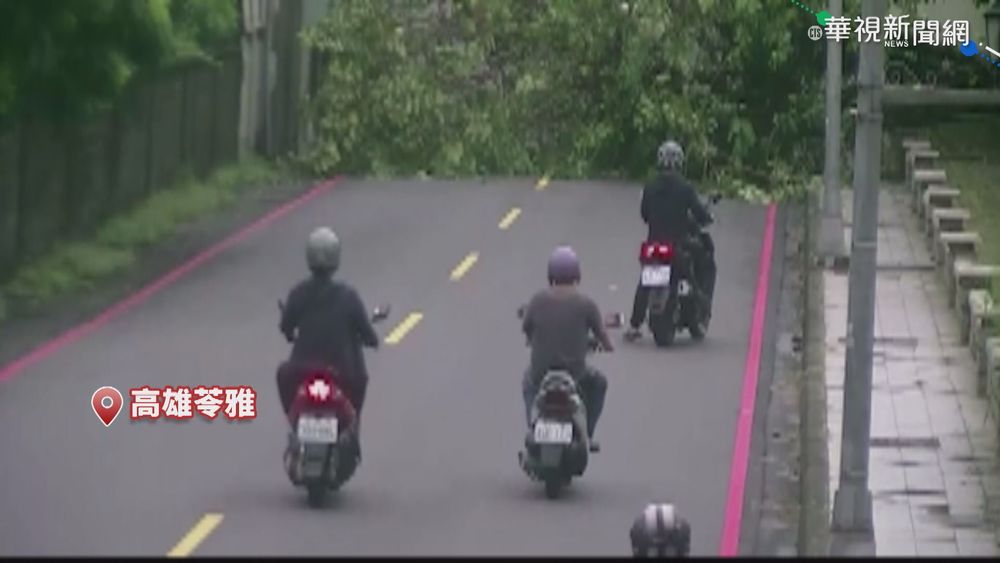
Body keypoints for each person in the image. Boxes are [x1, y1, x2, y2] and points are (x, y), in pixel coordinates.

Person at [277, 227, 379, 459]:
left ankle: (295, 423)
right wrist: (372, 340)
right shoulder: (348, 296)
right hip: (340, 372)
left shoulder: (298, 293)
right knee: (361, 380)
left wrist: (291, 332)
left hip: (300, 370)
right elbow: (367, 332)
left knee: (282, 374)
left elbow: (285, 326)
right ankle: (353, 433)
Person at [521, 246, 614, 452]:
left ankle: (532, 425)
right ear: (576, 274)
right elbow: (603, 336)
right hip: (575, 374)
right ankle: (587, 433)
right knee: (599, 383)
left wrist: (532, 339)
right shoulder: (586, 304)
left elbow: (526, 328)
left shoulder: (537, 300)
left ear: (550, 274)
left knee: (528, 383)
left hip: (541, 373)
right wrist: (608, 346)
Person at [625, 140, 717, 342]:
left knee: (644, 281)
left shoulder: (650, 186)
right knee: (706, 257)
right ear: (679, 162)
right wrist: (706, 217)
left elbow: (645, 214)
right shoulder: (685, 188)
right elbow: (700, 214)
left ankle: (634, 324)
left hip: (653, 246)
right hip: (679, 244)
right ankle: (701, 301)